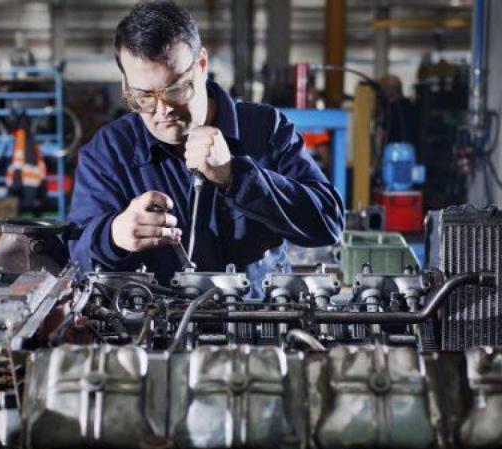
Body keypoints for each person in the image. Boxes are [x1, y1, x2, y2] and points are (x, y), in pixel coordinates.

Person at [67, 0, 344, 298]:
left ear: (201, 65)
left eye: (175, 89)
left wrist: (237, 177)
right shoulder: (109, 152)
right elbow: (75, 257)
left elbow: (328, 223)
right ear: (125, 82)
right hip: (155, 331)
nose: (163, 110)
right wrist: (113, 236)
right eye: (143, 96)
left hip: (258, 326)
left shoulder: (265, 128)